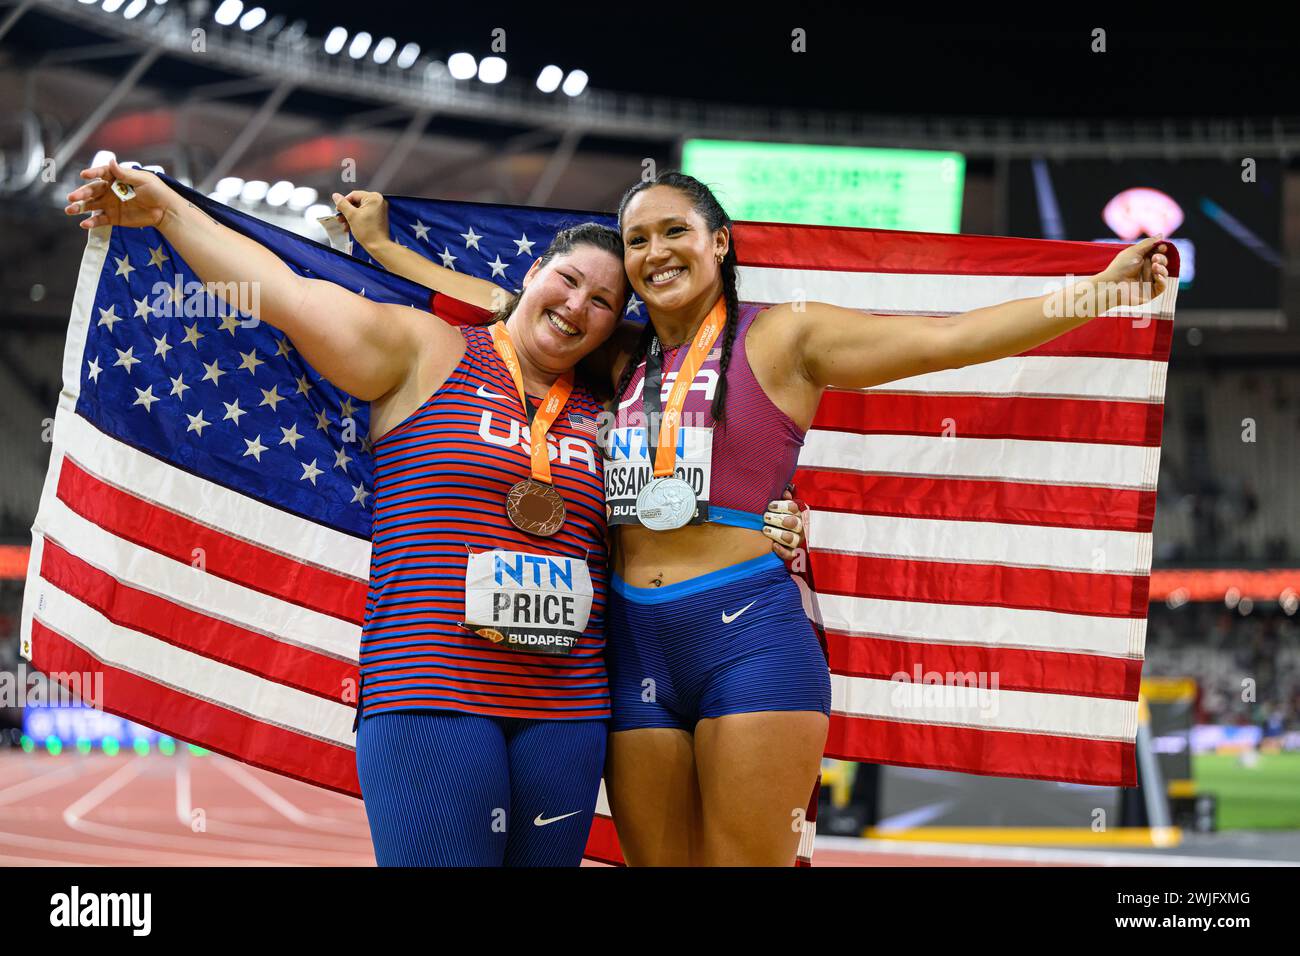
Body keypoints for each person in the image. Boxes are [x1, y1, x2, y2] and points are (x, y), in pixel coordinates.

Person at [336, 175, 1169, 866]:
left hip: (749, 637)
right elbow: (511, 305)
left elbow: (944, 339)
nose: (655, 252)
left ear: (720, 243)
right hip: (630, 649)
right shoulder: (616, 356)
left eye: (675, 232)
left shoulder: (786, 339)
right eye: (637, 241)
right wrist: (383, 249)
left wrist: (1096, 292)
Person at [66, 159, 626, 866]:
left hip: (568, 710)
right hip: (433, 692)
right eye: (569, 280)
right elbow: (285, 295)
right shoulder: (427, 350)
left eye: (602, 302)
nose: (577, 306)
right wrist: (169, 213)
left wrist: (771, 516)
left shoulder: (611, 409)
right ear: (536, 272)